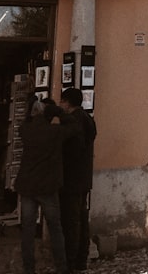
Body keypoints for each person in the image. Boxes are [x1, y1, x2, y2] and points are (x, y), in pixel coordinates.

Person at [15, 97, 78, 274]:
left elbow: (25, 122)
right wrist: (60, 112)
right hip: (47, 187)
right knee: (55, 228)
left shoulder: (25, 130)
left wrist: (32, 113)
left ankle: (29, 268)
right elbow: (74, 127)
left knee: (27, 230)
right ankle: (61, 267)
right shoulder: (54, 132)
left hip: (27, 186)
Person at [59, 88, 97, 273]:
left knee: (72, 221)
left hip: (72, 179)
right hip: (84, 178)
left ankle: (72, 262)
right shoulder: (88, 119)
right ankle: (81, 259)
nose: (60, 104)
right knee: (82, 219)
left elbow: (72, 153)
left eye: (62, 101)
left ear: (67, 102)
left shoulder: (73, 123)